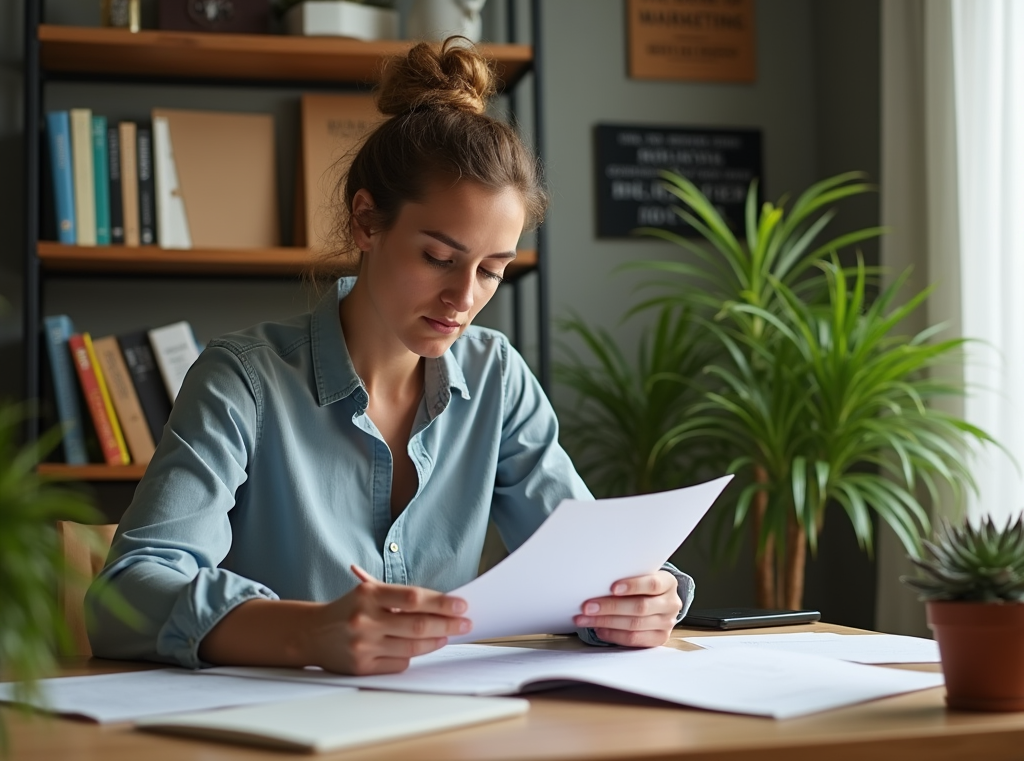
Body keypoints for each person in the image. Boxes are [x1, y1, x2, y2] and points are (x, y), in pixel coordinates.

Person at [86, 38, 694, 676]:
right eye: (439, 258)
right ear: (367, 223)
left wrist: (642, 601)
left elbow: (586, 570)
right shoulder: (243, 379)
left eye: (493, 270)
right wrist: (307, 633)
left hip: (448, 727)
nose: (464, 297)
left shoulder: (497, 378)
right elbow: (125, 596)